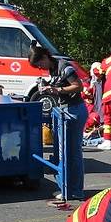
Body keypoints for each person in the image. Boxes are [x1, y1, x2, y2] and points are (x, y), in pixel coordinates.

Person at [28, 45, 87, 200]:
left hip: (74, 111)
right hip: (65, 110)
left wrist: (57, 90)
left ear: (46, 57)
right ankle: (68, 189)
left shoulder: (64, 67)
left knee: (73, 154)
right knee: (65, 153)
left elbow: (78, 86)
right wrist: (48, 87)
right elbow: (60, 85)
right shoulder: (54, 69)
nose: (41, 68)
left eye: (40, 64)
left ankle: (75, 191)